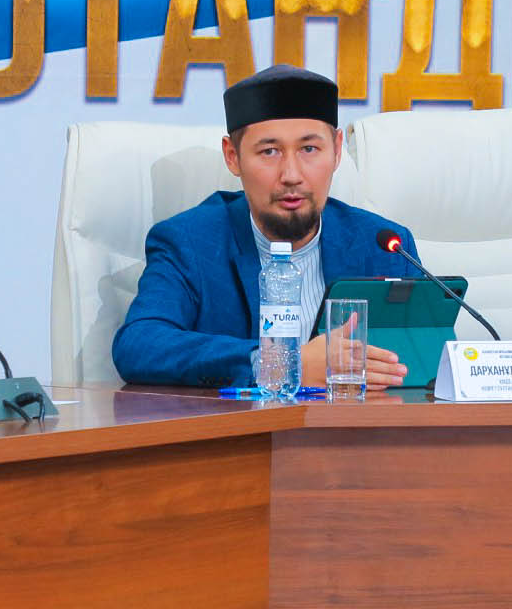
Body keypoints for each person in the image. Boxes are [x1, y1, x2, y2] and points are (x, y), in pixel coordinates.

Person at [113, 65, 424, 388]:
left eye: (309, 149)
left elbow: (421, 364)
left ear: (336, 150)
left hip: (355, 421)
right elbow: (139, 344)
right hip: (242, 422)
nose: (291, 175)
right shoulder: (189, 243)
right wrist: (278, 365)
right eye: (269, 151)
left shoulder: (383, 245)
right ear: (232, 156)